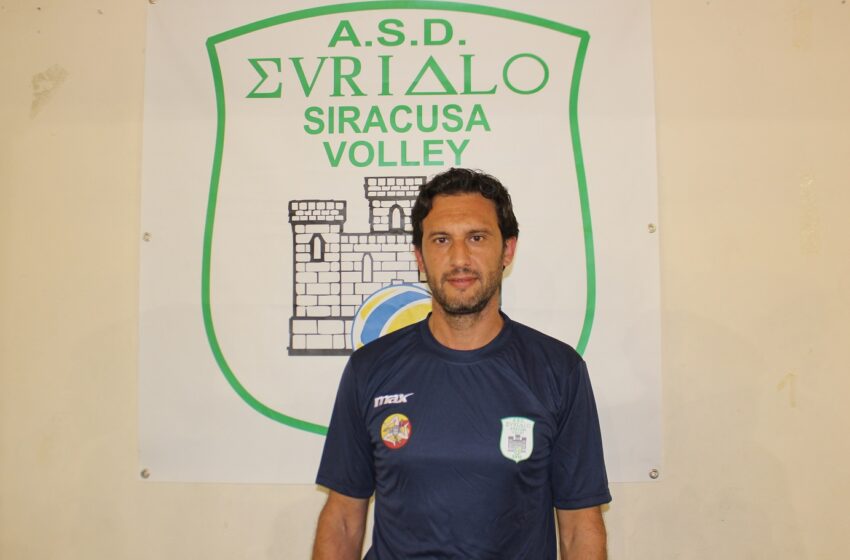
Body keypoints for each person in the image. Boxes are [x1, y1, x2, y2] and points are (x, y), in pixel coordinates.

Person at [312, 168, 611, 559]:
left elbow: (579, 528)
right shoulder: (370, 369)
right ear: (420, 257)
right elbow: (342, 520)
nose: (459, 258)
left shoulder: (558, 370)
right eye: (441, 240)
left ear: (507, 250)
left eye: (476, 238)